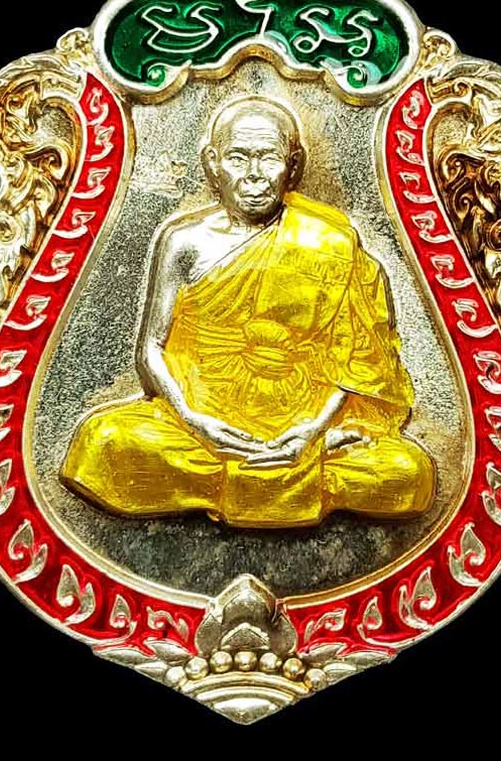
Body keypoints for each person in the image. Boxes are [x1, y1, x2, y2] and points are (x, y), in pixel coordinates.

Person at [60, 95, 435, 527]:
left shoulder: (331, 244)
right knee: (104, 442)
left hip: (303, 425)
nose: (254, 175)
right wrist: (195, 421)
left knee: (408, 472)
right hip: (202, 426)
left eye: (269, 158)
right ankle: (283, 483)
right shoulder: (185, 242)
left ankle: (242, 480)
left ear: (293, 166)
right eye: (238, 158)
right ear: (212, 163)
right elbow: (151, 349)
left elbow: (355, 362)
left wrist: (313, 431)